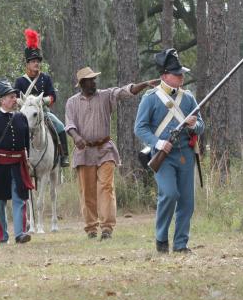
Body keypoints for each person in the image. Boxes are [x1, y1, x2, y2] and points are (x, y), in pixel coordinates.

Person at [64, 67, 157, 240]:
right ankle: (91, 228)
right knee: (87, 192)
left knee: (106, 187)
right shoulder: (72, 102)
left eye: (94, 79)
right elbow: (69, 124)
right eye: (90, 80)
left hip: (105, 149)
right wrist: (76, 137)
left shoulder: (106, 95)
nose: (94, 82)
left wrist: (144, 84)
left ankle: (107, 228)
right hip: (84, 152)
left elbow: (125, 91)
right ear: (82, 84)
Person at [135, 48, 205, 254]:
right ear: (165, 76)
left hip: (185, 154)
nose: (181, 76)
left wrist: (193, 125)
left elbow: (201, 125)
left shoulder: (189, 98)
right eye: (177, 73)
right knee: (169, 193)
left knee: (187, 201)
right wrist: (158, 144)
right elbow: (140, 127)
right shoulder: (150, 98)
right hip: (162, 156)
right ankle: (161, 237)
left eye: (181, 73)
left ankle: (181, 244)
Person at [0, 78, 34, 244]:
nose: (14, 99)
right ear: (2, 100)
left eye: (14, 96)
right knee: (0, 203)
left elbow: (27, 145)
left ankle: (20, 234)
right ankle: (3, 237)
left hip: (18, 166)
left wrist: (28, 161)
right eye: (10, 97)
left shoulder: (22, 118)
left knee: (20, 199)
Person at [14, 29, 70, 167]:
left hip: (43, 112)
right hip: (25, 114)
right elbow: (15, 97)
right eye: (33, 61)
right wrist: (21, 102)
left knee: (61, 127)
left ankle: (64, 156)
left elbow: (53, 95)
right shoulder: (20, 81)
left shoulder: (45, 78)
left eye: (38, 61)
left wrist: (46, 100)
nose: (36, 64)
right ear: (27, 63)